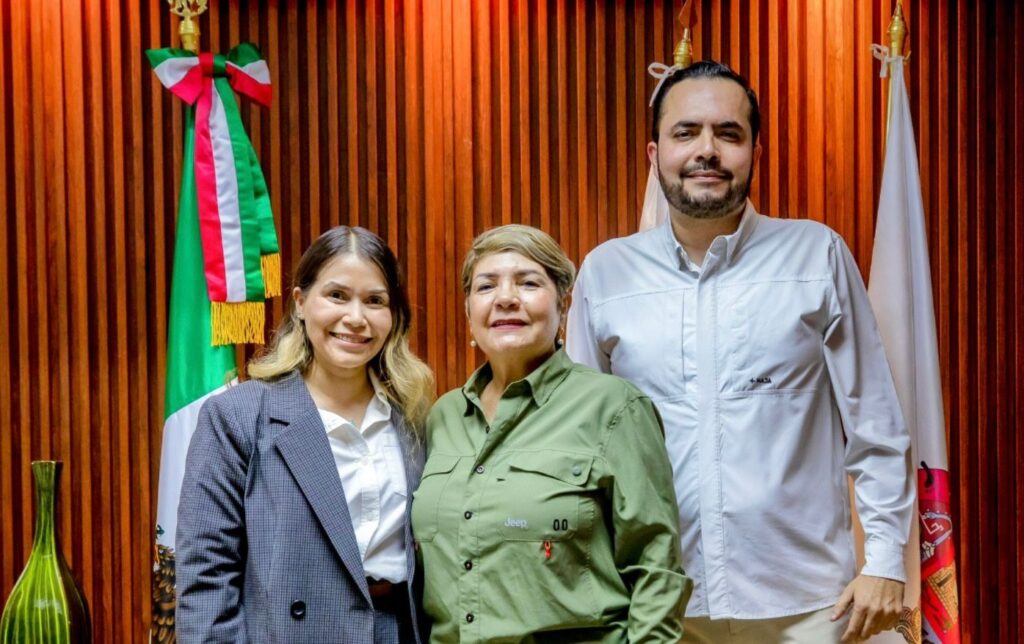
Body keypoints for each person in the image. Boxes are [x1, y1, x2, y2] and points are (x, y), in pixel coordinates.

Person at [566, 61, 913, 643]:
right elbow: (581, 442)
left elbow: (874, 424)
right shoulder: (606, 273)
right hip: (656, 602)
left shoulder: (816, 255)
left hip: (806, 604)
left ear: (755, 151)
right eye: (686, 132)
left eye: (728, 133)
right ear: (655, 154)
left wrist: (884, 560)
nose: (707, 150)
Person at [412, 224, 692, 643]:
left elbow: (656, 566)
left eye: (528, 283)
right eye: (486, 286)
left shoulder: (614, 407)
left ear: (563, 303)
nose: (506, 298)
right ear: (469, 311)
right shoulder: (443, 416)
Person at [175, 226, 435, 643]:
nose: (356, 318)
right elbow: (207, 578)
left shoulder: (414, 418)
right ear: (300, 302)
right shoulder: (238, 416)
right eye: (337, 295)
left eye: (375, 301)